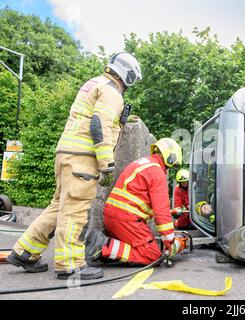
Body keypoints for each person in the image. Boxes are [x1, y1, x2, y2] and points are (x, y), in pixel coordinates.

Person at [6, 52, 143, 279]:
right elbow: (99, 124)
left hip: (65, 154)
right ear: (127, 74)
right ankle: (70, 265)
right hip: (83, 158)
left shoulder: (93, 84)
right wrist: (107, 163)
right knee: (75, 211)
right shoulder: (112, 91)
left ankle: (25, 252)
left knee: (58, 207)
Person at [85, 138, 189, 267]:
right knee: (153, 255)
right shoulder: (157, 172)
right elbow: (161, 211)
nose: (168, 170)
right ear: (170, 157)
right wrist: (171, 242)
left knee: (134, 248)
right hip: (127, 220)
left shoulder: (142, 163)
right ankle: (103, 246)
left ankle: (107, 248)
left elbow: (141, 199)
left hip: (112, 218)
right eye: (170, 166)